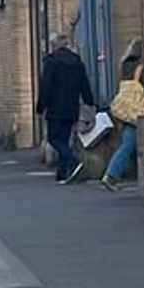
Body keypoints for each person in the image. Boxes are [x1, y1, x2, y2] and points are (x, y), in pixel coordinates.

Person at [36, 34, 95, 184]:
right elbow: (84, 83)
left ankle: (73, 160)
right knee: (63, 139)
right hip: (71, 107)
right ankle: (62, 174)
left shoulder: (51, 61)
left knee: (53, 138)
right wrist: (89, 101)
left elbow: (46, 86)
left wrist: (41, 107)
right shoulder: (76, 61)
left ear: (55, 45)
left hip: (55, 108)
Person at [103, 38, 144, 191]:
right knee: (129, 145)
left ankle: (116, 174)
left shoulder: (124, 66)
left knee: (129, 144)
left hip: (126, 112)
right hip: (138, 112)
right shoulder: (143, 68)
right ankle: (111, 174)